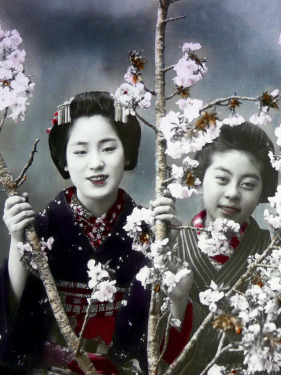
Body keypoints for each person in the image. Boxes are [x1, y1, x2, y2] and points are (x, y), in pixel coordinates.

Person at [0, 92, 193, 374]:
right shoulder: (42, 227)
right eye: (80, 151)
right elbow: (11, 313)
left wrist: (173, 280)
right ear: (64, 161)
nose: (96, 163)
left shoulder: (147, 228)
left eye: (107, 148)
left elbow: (164, 343)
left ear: (126, 152)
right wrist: (18, 241)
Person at [152, 123, 281, 374]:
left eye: (247, 184)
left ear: (262, 193)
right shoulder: (174, 242)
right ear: (200, 180)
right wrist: (175, 294)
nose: (233, 193)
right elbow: (149, 340)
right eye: (222, 179)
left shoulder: (273, 250)